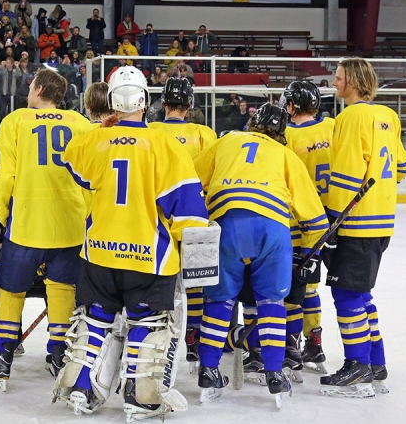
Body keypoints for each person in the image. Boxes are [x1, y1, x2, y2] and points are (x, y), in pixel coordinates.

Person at [54, 66, 209, 419]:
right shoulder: (164, 144)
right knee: (147, 325)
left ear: (111, 103)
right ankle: (139, 400)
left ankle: (81, 389)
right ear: (146, 101)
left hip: (99, 253)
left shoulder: (96, 141)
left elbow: (72, 157)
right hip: (149, 257)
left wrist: (104, 127)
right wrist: (193, 252)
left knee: (95, 322)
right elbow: (187, 208)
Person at [192, 103, 327, 405]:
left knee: (218, 300)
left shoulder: (226, 141)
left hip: (226, 224)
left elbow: (190, 179)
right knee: (271, 302)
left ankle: (209, 369)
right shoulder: (286, 155)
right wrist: (309, 253)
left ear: (252, 124)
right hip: (272, 229)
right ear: (282, 133)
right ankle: (274, 373)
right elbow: (316, 221)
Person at [0, 69, 92, 391]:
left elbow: (7, 176)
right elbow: (88, 179)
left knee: (12, 291)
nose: (27, 91)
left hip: (27, 223)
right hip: (70, 224)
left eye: (30, 86)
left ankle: (3, 360)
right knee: (61, 290)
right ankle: (58, 355)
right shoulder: (80, 124)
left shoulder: (16, 121)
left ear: (40, 89)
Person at [320, 58, 406, 397]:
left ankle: (357, 365)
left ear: (354, 82)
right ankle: (375, 362)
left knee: (346, 293)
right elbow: (401, 166)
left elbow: (344, 175)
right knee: (360, 293)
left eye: (339, 77)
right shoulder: (389, 115)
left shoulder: (349, 117)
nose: (334, 83)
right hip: (382, 219)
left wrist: (331, 220)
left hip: (354, 222)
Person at [147, 77, 217, 367]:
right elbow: (211, 177)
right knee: (196, 281)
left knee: (157, 278)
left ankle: (154, 332)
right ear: (190, 105)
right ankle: (194, 335)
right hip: (192, 215)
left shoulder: (149, 131)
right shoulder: (203, 133)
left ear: (163, 104)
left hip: (156, 219)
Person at [280, 81, 335, 376]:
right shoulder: (332, 127)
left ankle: (291, 343)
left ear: (291, 106)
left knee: (291, 286)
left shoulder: (286, 136)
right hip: (329, 220)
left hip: (295, 221)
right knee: (311, 286)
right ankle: (315, 341)